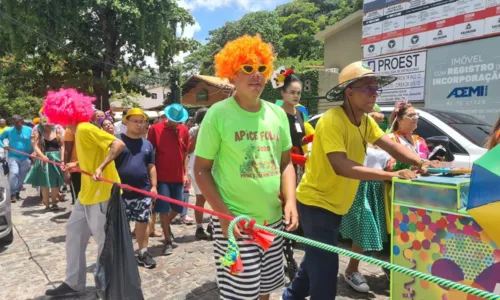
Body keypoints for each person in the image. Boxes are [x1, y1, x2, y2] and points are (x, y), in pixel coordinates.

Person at [282, 61, 440, 300]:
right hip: (316, 204)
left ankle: (290, 296)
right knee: (325, 272)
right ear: (349, 93)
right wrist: (391, 175)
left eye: (376, 89)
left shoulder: (365, 121)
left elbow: (392, 147)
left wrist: (421, 162)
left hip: (337, 204)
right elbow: (341, 165)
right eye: (368, 88)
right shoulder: (332, 120)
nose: (374, 94)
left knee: (316, 258)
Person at [194, 35, 299, 300]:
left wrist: (291, 200)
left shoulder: (277, 115)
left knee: (266, 291)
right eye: (248, 68)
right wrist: (223, 215)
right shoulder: (218, 114)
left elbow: (285, 163)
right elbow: (201, 170)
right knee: (240, 295)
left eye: (261, 68)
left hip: (272, 223)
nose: (257, 76)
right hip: (236, 224)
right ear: (232, 75)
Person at [43, 88, 125, 297]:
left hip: (102, 194)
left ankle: (106, 285)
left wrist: (100, 167)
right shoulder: (76, 132)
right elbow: (93, 156)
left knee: (103, 242)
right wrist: (77, 164)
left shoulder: (85, 129)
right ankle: (74, 283)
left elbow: (117, 144)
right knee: (73, 233)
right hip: (86, 194)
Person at [339, 107, 391, 293]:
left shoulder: (382, 139)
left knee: (376, 232)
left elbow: (390, 162)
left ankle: (387, 266)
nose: (376, 119)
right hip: (359, 188)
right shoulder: (354, 134)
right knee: (364, 228)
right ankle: (351, 269)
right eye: (371, 116)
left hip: (377, 189)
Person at [114, 108, 157, 269]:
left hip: (143, 191)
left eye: (142, 122)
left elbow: (151, 166)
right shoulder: (116, 141)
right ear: (126, 122)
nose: (139, 125)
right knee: (120, 225)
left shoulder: (147, 144)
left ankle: (143, 252)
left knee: (142, 223)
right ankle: (121, 254)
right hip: (120, 193)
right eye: (136, 121)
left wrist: (154, 186)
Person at [147, 103, 190, 255]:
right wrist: (152, 178)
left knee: (179, 207)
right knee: (164, 208)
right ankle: (168, 240)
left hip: (178, 175)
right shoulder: (155, 129)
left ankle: (166, 226)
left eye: (178, 121)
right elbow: (150, 154)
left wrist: (185, 173)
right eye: (174, 120)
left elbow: (185, 153)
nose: (176, 123)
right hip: (162, 176)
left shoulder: (184, 130)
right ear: (167, 117)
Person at [25, 111, 66, 211]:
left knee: (56, 182)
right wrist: (42, 156)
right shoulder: (38, 132)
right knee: (44, 183)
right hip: (44, 159)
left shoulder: (57, 131)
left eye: (49, 122)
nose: (47, 124)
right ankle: (47, 204)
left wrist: (62, 160)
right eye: (45, 122)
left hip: (56, 158)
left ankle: (54, 203)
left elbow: (62, 146)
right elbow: (35, 146)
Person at [187, 107, 211, 240]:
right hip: (196, 169)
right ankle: (199, 227)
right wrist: (199, 133)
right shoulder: (194, 130)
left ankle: (212, 224)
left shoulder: (215, 129)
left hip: (214, 168)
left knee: (216, 198)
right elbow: (189, 149)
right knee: (201, 199)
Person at [386, 102, 430, 171]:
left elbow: (427, 161)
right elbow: (387, 166)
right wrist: (415, 166)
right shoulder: (391, 139)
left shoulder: (419, 140)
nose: (415, 118)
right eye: (410, 115)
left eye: (416, 115)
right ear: (399, 120)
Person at [0, 115, 33, 203]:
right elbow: (0, 138)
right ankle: (12, 193)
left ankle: (17, 191)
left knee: (22, 176)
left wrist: (34, 152)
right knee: (14, 173)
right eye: (14, 123)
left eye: (17, 122)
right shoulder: (9, 130)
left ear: (21, 121)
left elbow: (35, 140)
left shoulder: (29, 130)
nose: (16, 125)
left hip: (26, 157)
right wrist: (4, 146)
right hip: (13, 156)